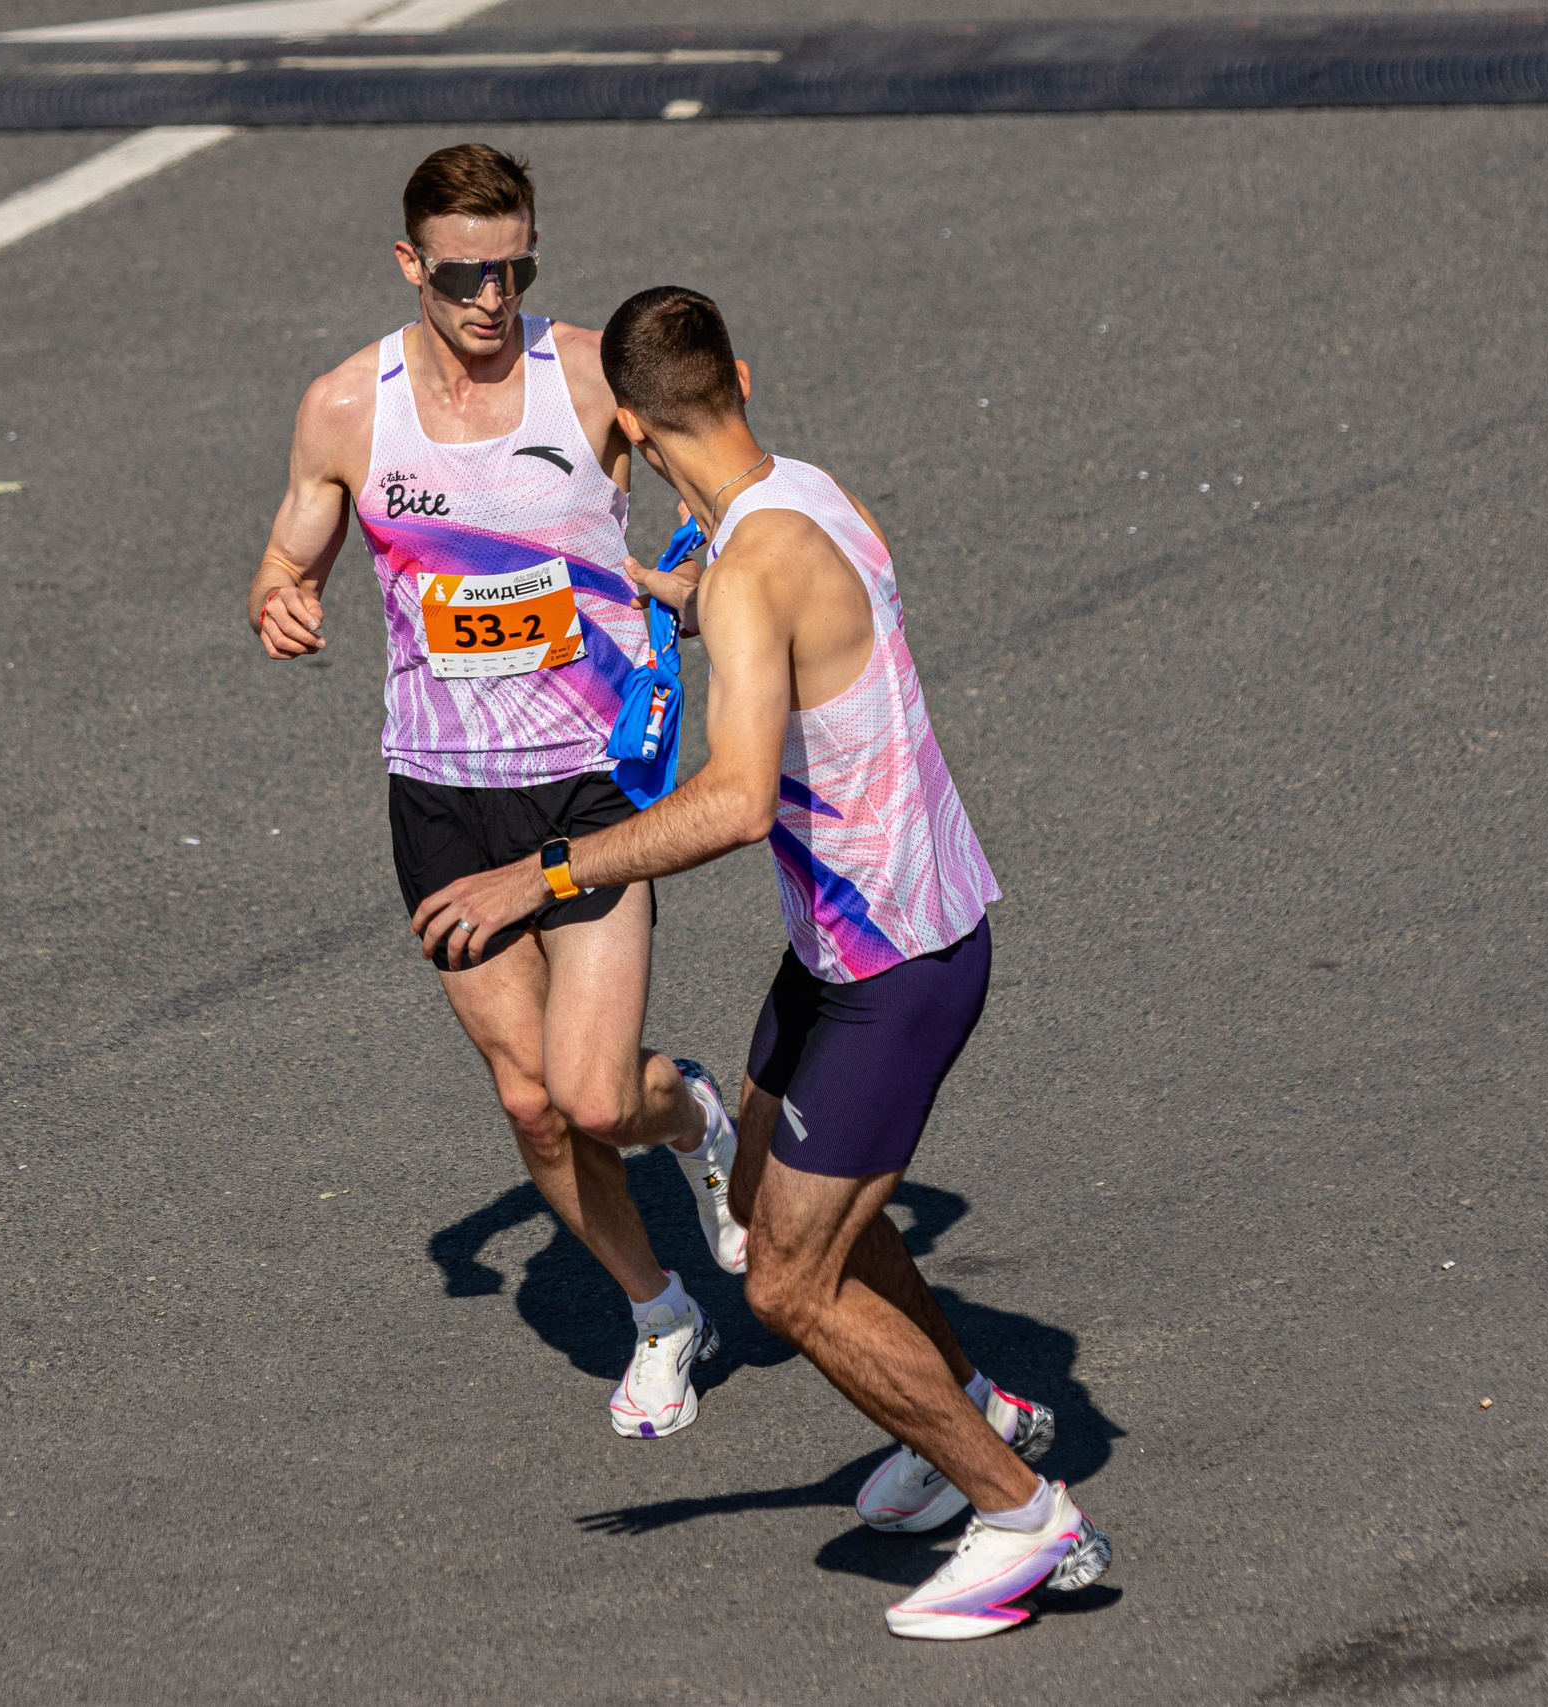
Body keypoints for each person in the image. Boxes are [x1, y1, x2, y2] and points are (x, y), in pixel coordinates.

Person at [408, 286, 1112, 1639]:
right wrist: (695, 595)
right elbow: (810, 614)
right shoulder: (801, 496)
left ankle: (1026, 1518)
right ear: (740, 375)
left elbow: (731, 802)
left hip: (892, 962)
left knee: (789, 1278)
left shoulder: (745, 573)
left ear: (627, 424)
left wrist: (544, 873)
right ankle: (964, 1407)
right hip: (863, 942)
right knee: (768, 1176)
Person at [248, 148, 745, 1441]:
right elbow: (294, 539)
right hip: (440, 794)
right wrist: (281, 594)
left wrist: (682, 575)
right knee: (528, 1100)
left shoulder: (583, 374)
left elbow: (723, 470)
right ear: (412, 265)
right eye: (464, 273)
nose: (491, 296)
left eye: (514, 266)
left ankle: (692, 1111)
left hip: (589, 785)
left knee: (593, 1096)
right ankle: (660, 1313)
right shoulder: (350, 408)